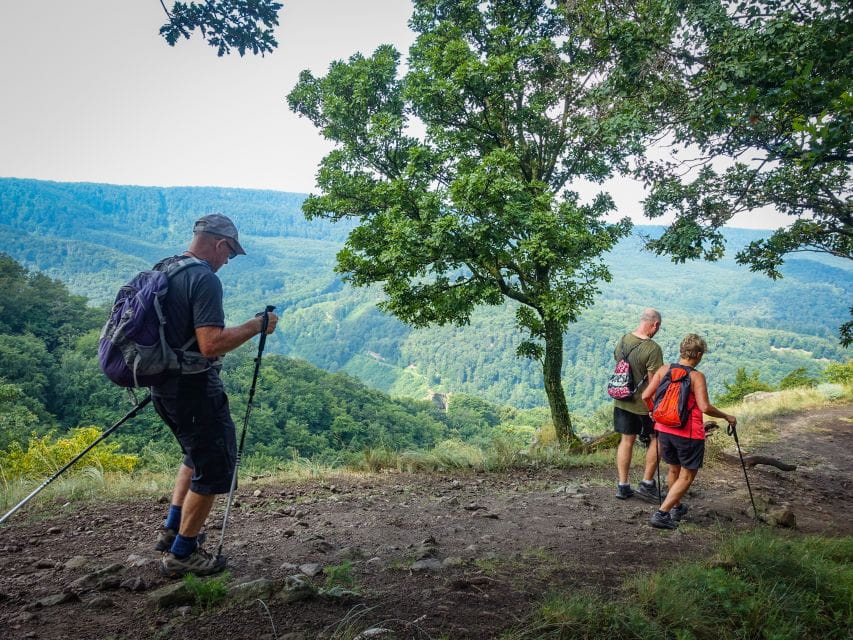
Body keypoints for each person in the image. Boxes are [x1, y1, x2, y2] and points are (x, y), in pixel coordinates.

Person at [151, 213, 278, 577]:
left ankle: (172, 529)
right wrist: (258, 326)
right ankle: (182, 554)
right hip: (193, 389)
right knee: (213, 467)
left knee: (194, 456)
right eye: (230, 254)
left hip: (164, 384)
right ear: (220, 244)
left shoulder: (168, 268)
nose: (228, 262)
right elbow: (211, 344)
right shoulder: (204, 279)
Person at [642, 333, 736, 530]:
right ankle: (662, 513)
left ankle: (676, 507)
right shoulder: (696, 376)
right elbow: (704, 407)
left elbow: (645, 395)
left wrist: (653, 411)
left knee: (673, 469)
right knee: (686, 475)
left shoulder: (664, 369)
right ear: (699, 354)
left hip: (664, 430)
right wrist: (726, 416)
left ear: (682, 351)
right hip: (689, 434)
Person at [612, 308, 665, 502]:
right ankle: (647, 483)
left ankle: (623, 485)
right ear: (655, 324)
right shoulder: (652, 348)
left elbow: (619, 365)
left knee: (627, 440)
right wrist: (656, 406)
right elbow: (654, 382)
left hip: (622, 398)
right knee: (657, 438)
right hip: (644, 404)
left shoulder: (624, 339)